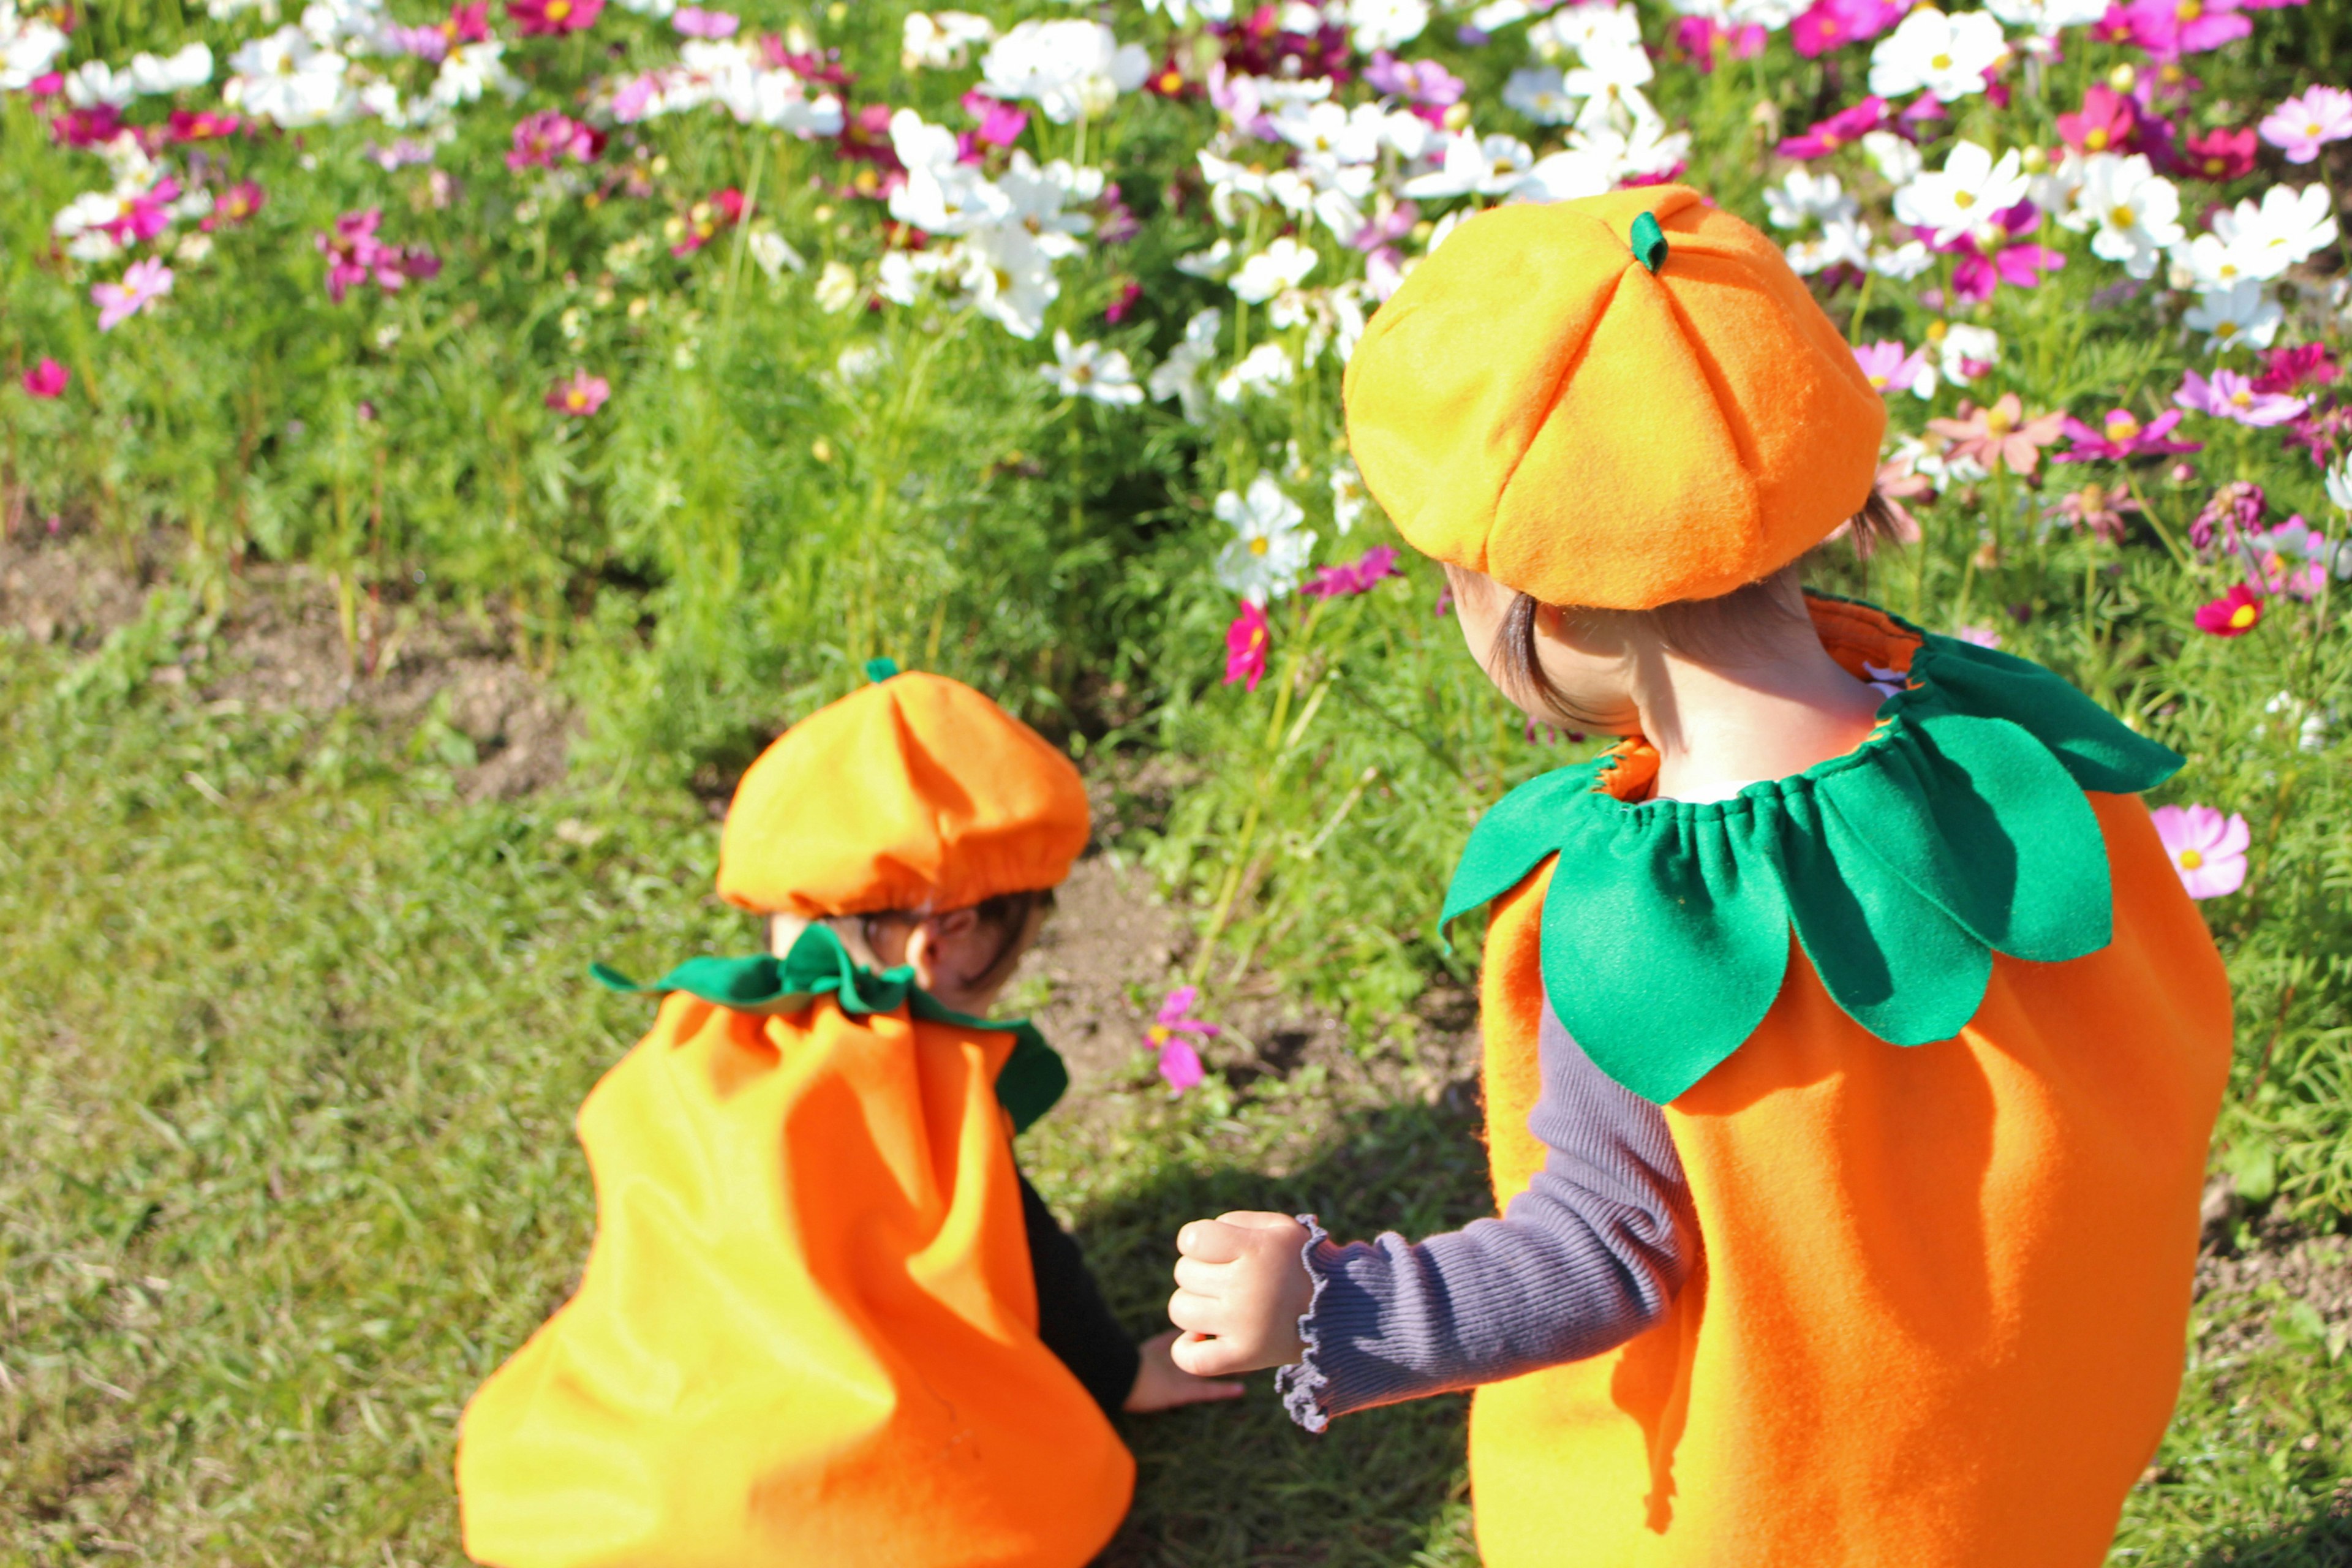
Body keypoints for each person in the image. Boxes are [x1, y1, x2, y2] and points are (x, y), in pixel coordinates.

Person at [1164, 186, 2233, 1567]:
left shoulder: (1655, 914)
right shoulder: (2011, 750)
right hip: (2007, 1471)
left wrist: (1335, 1306)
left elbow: (1599, 1253)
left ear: (1537, 598)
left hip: (1777, 1515)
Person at [458, 663, 1237, 1568]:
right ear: (937, 944)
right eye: (1008, 955)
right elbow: (1036, 1261)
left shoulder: (687, 1041)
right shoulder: (923, 1076)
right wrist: (1121, 1374)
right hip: (833, 1507)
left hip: (633, 1487)